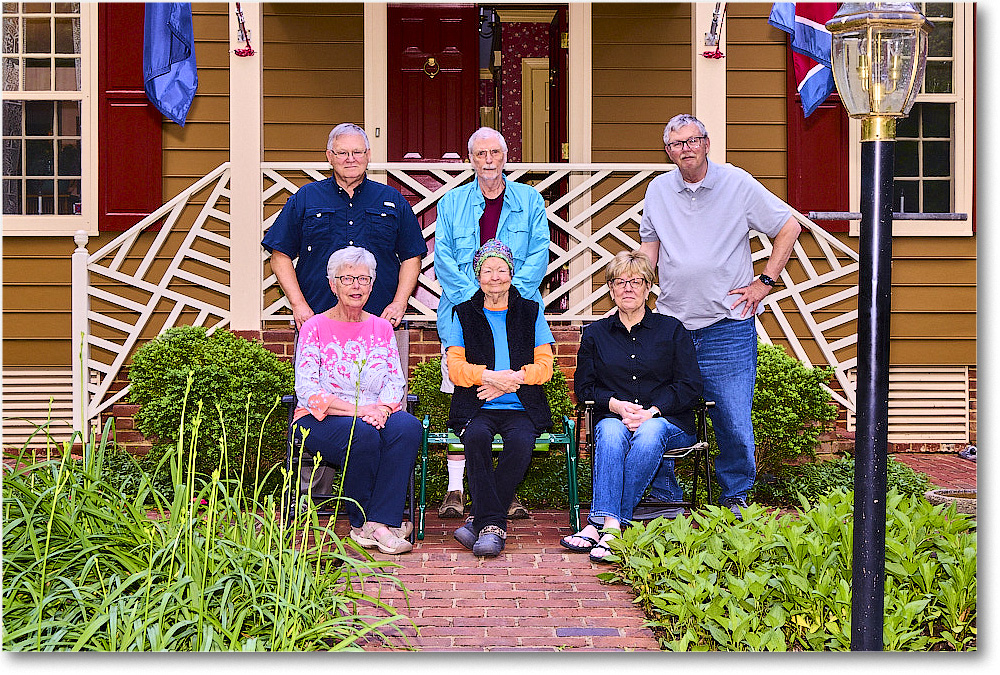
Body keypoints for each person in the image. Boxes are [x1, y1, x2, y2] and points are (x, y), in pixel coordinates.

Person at [638, 113, 801, 520]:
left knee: (731, 417)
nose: (685, 148)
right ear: (668, 150)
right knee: (659, 412)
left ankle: (735, 499)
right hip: (672, 325)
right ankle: (665, 497)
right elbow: (650, 249)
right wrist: (633, 288)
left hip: (726, 326)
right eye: (676, 143)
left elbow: (789, 225)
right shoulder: (658, 191)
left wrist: (765, 280)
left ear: (707, 143)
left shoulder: (737, 183)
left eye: (692, 140)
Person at [433, 126, 550, 519]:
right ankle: (454, 488)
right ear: (471, 159)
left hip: (514, 310)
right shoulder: (451, 203)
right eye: (480, 153)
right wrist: (477, 298)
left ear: (505, 157)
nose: (488, 160)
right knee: (462, 396)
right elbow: (444, 257)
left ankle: (502, 491)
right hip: (462, 310)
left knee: (511, 390)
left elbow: (538, 254)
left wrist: (506, 293)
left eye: (495, 153)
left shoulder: (530, 200)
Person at [562, 251, 703, 562]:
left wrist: (652, 411)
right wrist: (616, 405)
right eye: (619, 282)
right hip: (615, 418)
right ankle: (613, 529)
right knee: (610, 434)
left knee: (651, 432)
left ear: (648, 287)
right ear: (611, 290)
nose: (628, 288)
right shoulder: (595, 335)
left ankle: (600, 523)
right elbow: (585, 388)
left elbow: (690, 386)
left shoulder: (672, 330)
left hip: (668, 422)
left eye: (635, 281)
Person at [291, 246, 422, 555]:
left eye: (364, 279)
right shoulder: (314, 327)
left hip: (375, 412)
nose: (356, 285)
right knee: (361, 433)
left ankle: (376, 523)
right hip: (320, 418)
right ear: (332, 284)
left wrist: (385, 410)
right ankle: (364, 522)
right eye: (347, 278)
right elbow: (307, 390)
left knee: (408, 426)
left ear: (372, 285)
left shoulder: (380, 327)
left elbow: (395, 380)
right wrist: (361, 410)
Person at [445, 240, 554, 557]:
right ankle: (492, 526)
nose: (495, 276)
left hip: (522, 407)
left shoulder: (530, 312)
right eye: (487, 270)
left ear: (511, 273)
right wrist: (489, 377)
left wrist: (510, 381)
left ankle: (481, 522)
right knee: (476, 437)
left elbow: (544, 367)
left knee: (521, 443)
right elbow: (455, 369)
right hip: (476, 406)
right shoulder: (464, 314)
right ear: (478, 276)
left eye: (501, 269)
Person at [262, 122, 428, 330]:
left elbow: (412, 256)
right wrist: (298, 304)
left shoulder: (392, 199)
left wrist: (399, 303)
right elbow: (280, 255)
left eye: (357, 152)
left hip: (381, 320)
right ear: (329, 157)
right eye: (342, 153)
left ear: (368, 155)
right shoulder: (306, 198)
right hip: (316, 317)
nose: (351, 159)